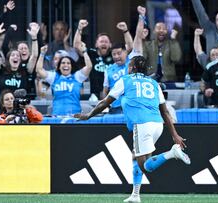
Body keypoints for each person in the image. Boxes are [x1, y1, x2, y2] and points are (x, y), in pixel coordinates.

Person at [75, 7, 190, 203]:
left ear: (133, 67)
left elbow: (105, 102)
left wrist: (88, 115)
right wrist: (174, 134)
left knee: (146, 165)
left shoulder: (126, 80)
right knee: (136, 158)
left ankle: (172, 153)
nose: (127, 66)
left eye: (129, 64)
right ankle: (135, 195)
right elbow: (165, 112)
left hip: (142, 124)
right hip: (157, 126)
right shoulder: (154, 84)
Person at [73, 20, 133, 99]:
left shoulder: (114, 54)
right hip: (95, 95)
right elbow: (77, 46)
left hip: (114, 94)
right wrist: (79, 28)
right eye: (101, 41)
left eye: (106, 41)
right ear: (96, 44)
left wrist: (125, 30)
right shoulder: (91, 53)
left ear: (110, 44)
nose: (104, 43)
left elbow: (130, 47)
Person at [36, 42, 92, 116]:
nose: (66, 65)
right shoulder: (54, 77)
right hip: (57, 116)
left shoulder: (77, 76)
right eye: (63, 63)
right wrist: (42, 54)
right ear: (59, 66)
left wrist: (84, 52)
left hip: (75, 117)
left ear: (71, 66)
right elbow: (39, 69)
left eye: (68, 63)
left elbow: (89, 67)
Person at [0, 22, 39, 93]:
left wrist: (34, 38)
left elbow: (34, 56)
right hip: (6, 103)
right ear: (8, 59)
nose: (16, 57)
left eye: (18, 55)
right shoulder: (2, 70)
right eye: (12, 55)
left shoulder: (25, 71)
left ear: (20, 60)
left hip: (22, 103)